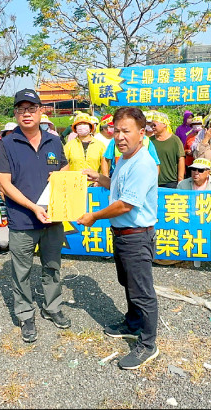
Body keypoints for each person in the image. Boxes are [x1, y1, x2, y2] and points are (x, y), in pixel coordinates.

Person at [77, 106, 160, 370]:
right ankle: (133, 324)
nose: (120, 136)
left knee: (142, 292)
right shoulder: (124, 157)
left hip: (136, 236)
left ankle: (148, 344)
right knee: (128, 283)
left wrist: (93, 216)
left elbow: (125, 204)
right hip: (123, 234)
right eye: (116, 131)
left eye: (126, 131)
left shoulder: (143, 163)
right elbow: (117, 184)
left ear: (142, 132)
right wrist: (98, 177)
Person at [0, 88, 71, 343]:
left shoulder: (54, 140)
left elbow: (65, 165)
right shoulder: (7, 144)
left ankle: (52, 307)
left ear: (40, 111)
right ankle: (26, 314)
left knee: (52, 265)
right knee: (22, 270)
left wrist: (61, 176)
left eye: (31, 109)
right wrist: (33, 207)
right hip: (23, 220)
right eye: (21, 110)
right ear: (16, 114)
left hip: (53, 217)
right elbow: (4, 183)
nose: (26, 114)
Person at [149, 112, 184, 188]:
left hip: (171, 182)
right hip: (153, 182)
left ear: (164, 124)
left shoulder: (175, 140)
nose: (152, 127)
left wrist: (180, 179)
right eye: (151, 126)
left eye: (154, 125)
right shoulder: (149, 141)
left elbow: (181, 159)